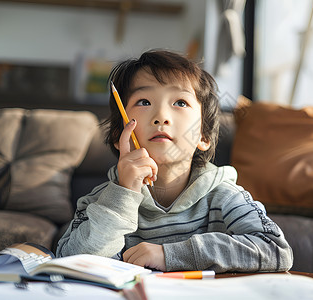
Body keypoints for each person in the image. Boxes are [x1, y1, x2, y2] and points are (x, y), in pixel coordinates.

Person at [56, 50, 293, 273]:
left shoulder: (225, 196)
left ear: (204, 137)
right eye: (144, 102)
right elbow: (70, 263)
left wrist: (170, 255)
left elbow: (276, 249)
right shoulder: (102, 202)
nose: (161, 117)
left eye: (180, 103)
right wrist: (123, 194)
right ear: (120, 136)